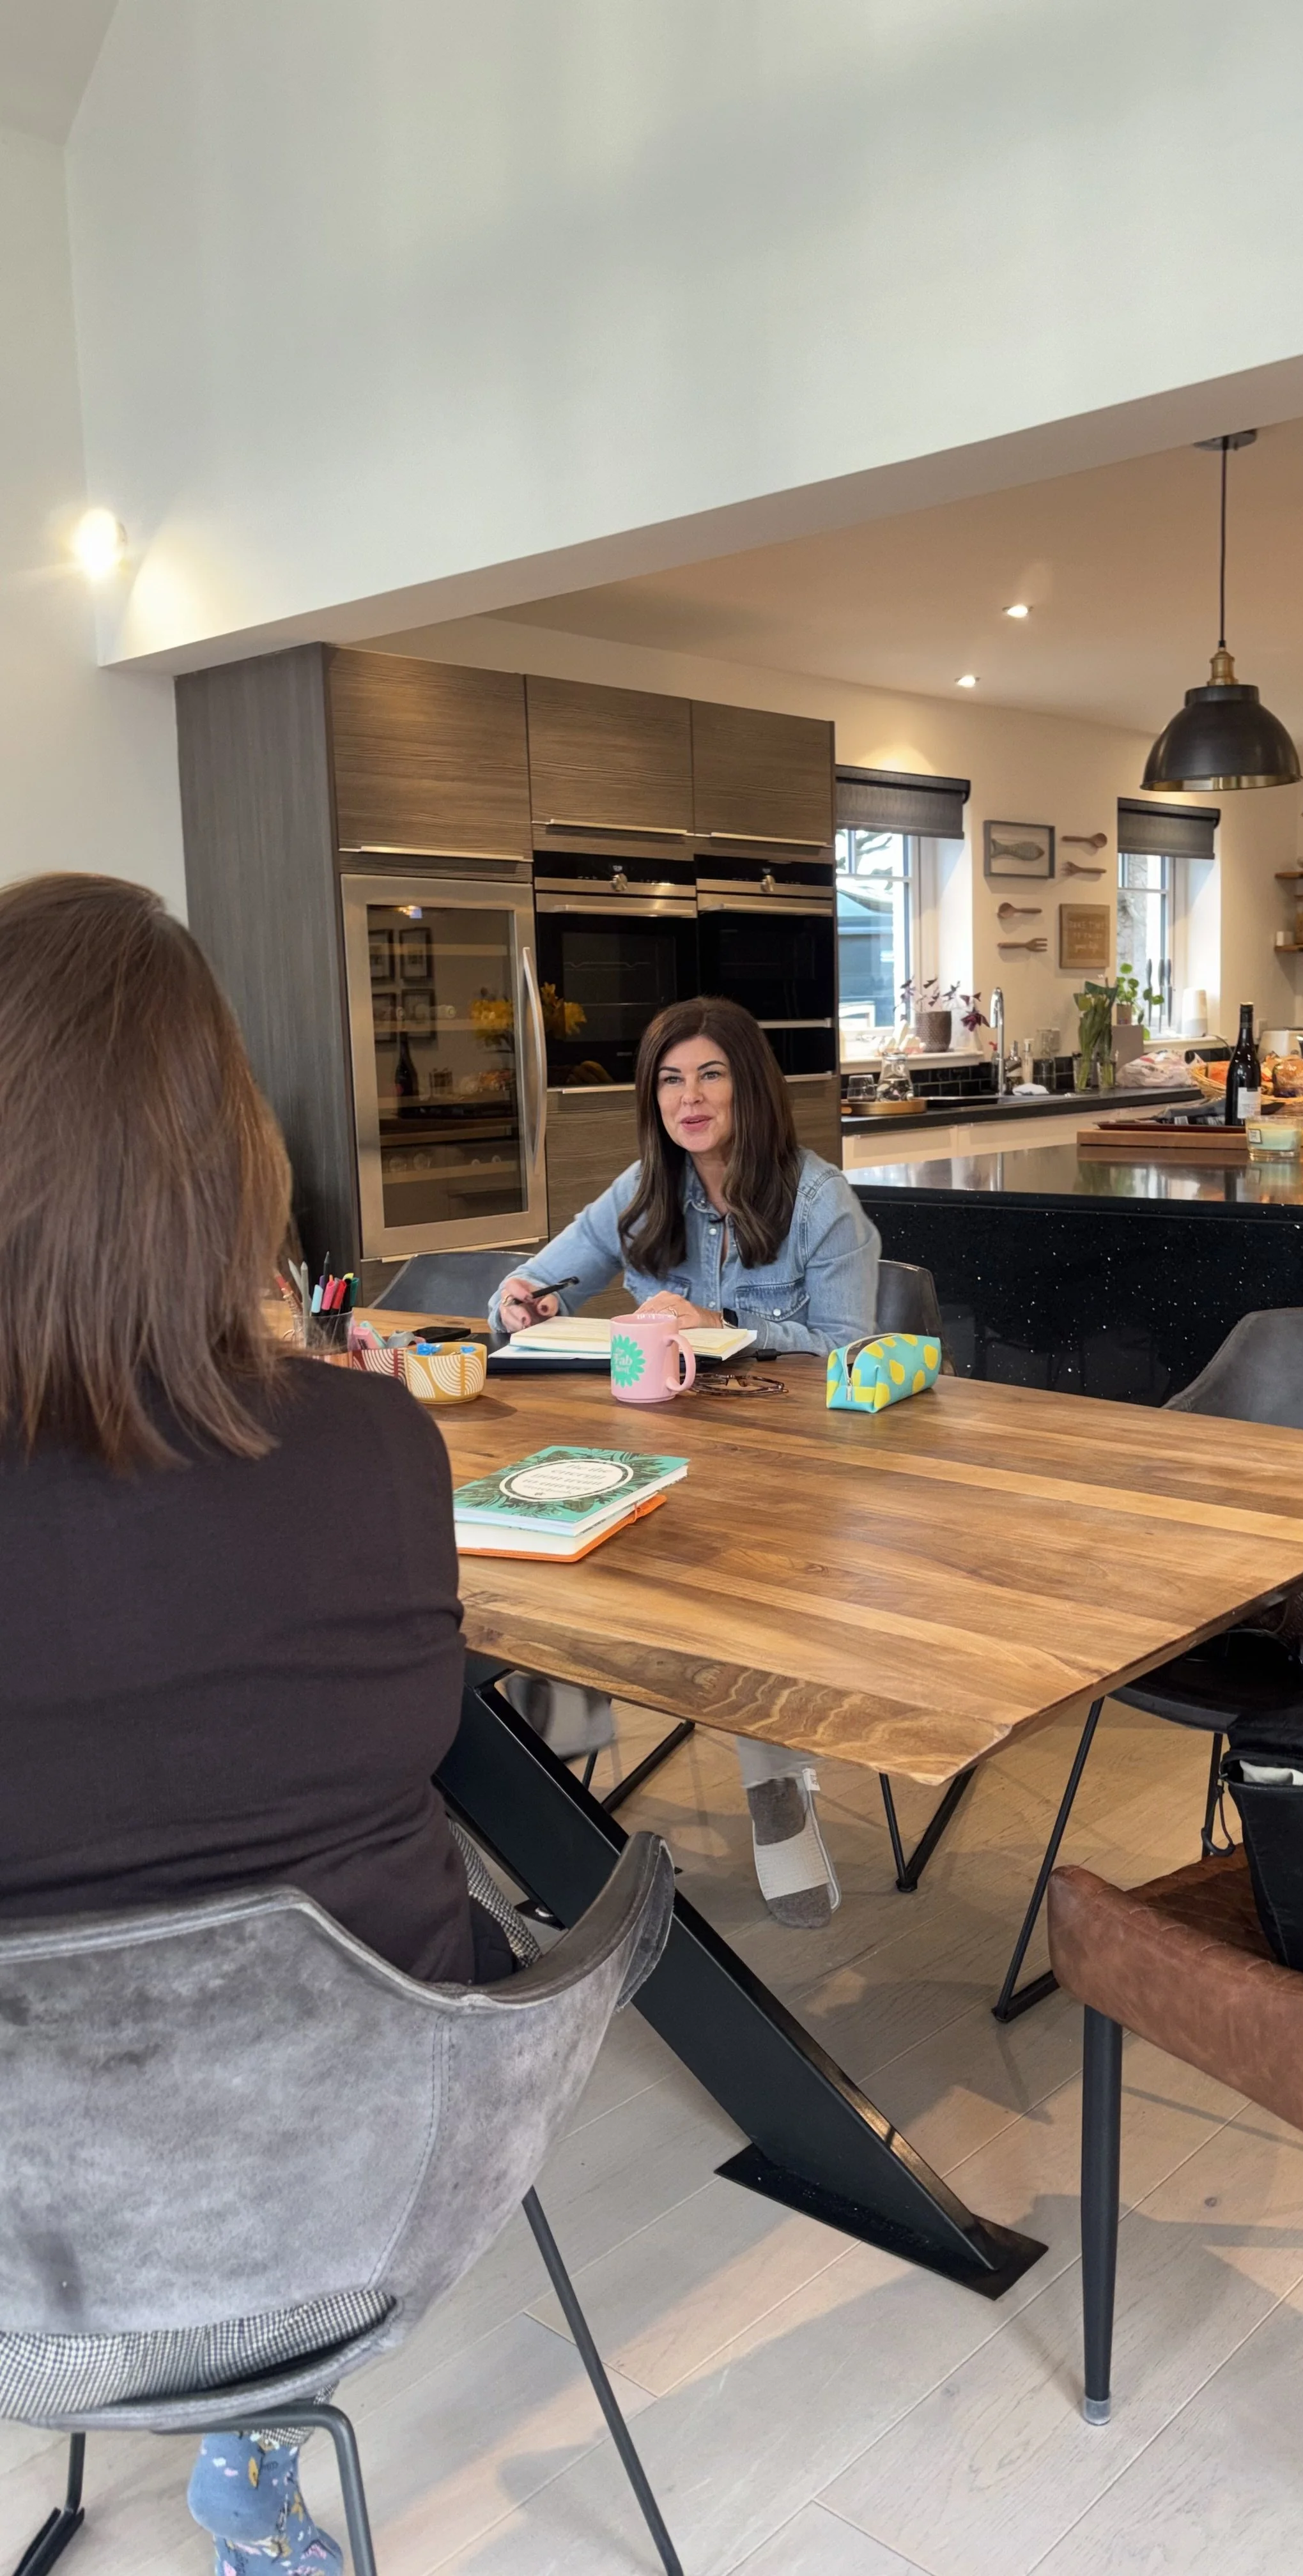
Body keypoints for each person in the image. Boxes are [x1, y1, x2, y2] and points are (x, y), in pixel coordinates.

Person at [0, 873, 507, 2576]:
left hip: (27, 2253)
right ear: (232, 1155)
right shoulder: (378, 1454)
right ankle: (255, 2464)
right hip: (365, 2210)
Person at [491, 995, 881, 1930]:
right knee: (559, 1535)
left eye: (710, 1074)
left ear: (749, 1088)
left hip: (785, 1468)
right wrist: (521, 1296)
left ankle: (774, 1787)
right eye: (670, 1078)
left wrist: (718, 1325)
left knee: (737, 1582)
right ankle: (564, 1783)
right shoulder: (643, 1187)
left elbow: (850, 1347)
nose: (689, 1096)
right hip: (651, 1451)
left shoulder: (820, 1200)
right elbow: (536, 1280)